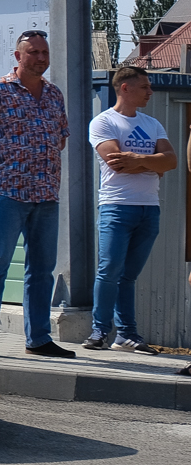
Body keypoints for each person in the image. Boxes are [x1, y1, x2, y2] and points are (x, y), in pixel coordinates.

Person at [0, 29, 73, 359]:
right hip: (7, 194)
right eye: (34, 52)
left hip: (46, 195)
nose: (41, 58)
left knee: (41, 269)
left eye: (44, 52)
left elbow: (61, 137)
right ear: (18, 56)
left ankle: (38, 338)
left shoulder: (54, 95)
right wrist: (2, 159)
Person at [87, 65, 178, 353]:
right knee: (109, 270)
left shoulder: (153, 124)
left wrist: (138, 159)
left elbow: (171, 161)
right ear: (125, 88)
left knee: (129, 276)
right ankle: (99, 331)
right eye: (144, 87)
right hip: (117, 206)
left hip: (149, 208)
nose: (150, 92)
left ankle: (127, 335)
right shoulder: (103, 122)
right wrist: (152, 162)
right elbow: (116, 161)